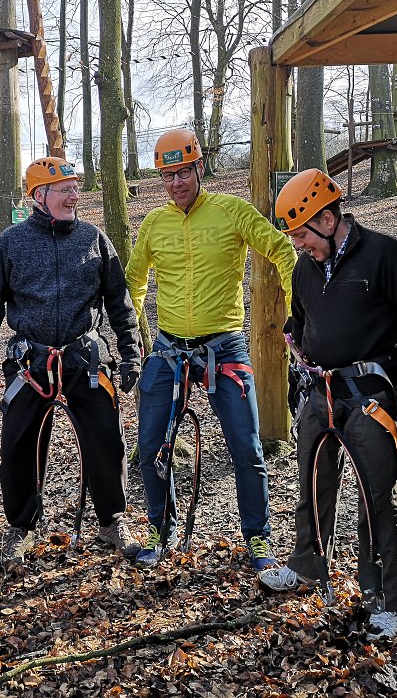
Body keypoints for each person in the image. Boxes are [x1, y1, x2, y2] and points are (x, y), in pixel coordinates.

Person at [259, 168, 397, 641]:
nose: (298, 244)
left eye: (302, 233)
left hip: (369, 397)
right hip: (319, 394)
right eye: (294, 236)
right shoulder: (305, 268)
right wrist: (297, 371)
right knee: (312, 486)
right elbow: (299, 322)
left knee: (377, 499)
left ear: (327, 219)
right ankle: (307, 565)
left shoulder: (385, 256)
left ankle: (384, 598)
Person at [124, 128, 297, 571]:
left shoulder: (230, 211)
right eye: (168, 176)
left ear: (199, 168)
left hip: (225, 346)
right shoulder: (154, 223)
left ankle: (258, 539)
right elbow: (134, 281)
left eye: (183, 172)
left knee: (247, 447)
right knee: (151, 446)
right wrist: (136, 336)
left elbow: (281, 249)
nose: (176, 183)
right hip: (169, 348)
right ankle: (160, 530)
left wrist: (298, 311)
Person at [0, 156, 143, 568]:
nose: (74, 195)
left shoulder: (94, 239)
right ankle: (21, 527)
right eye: (65, 189)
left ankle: (112, 521)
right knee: (19, 445)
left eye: (75, 187)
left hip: (84, 357)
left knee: (106, 440)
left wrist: (131, 353)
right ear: (39, 195)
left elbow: (119, 303)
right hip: (30, 362)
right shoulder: (11, 243)